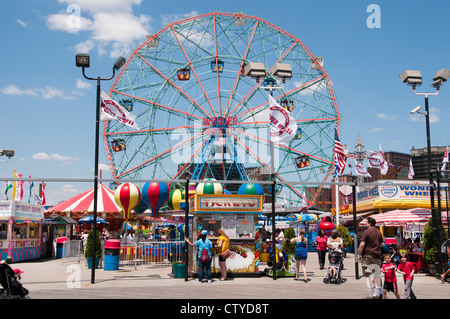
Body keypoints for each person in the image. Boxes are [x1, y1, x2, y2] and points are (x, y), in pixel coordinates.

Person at [358, 217, 384, 299]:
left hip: (368, 255)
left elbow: (362, 245)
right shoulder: (378, 232)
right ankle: (381, 292)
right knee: (377, 274)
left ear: (369, 223)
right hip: (377, 256)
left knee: (370, 275)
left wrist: (359, 255)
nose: (365, 224)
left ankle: (374, 294)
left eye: (366, 222)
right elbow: (381, 244)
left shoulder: (366, 232)